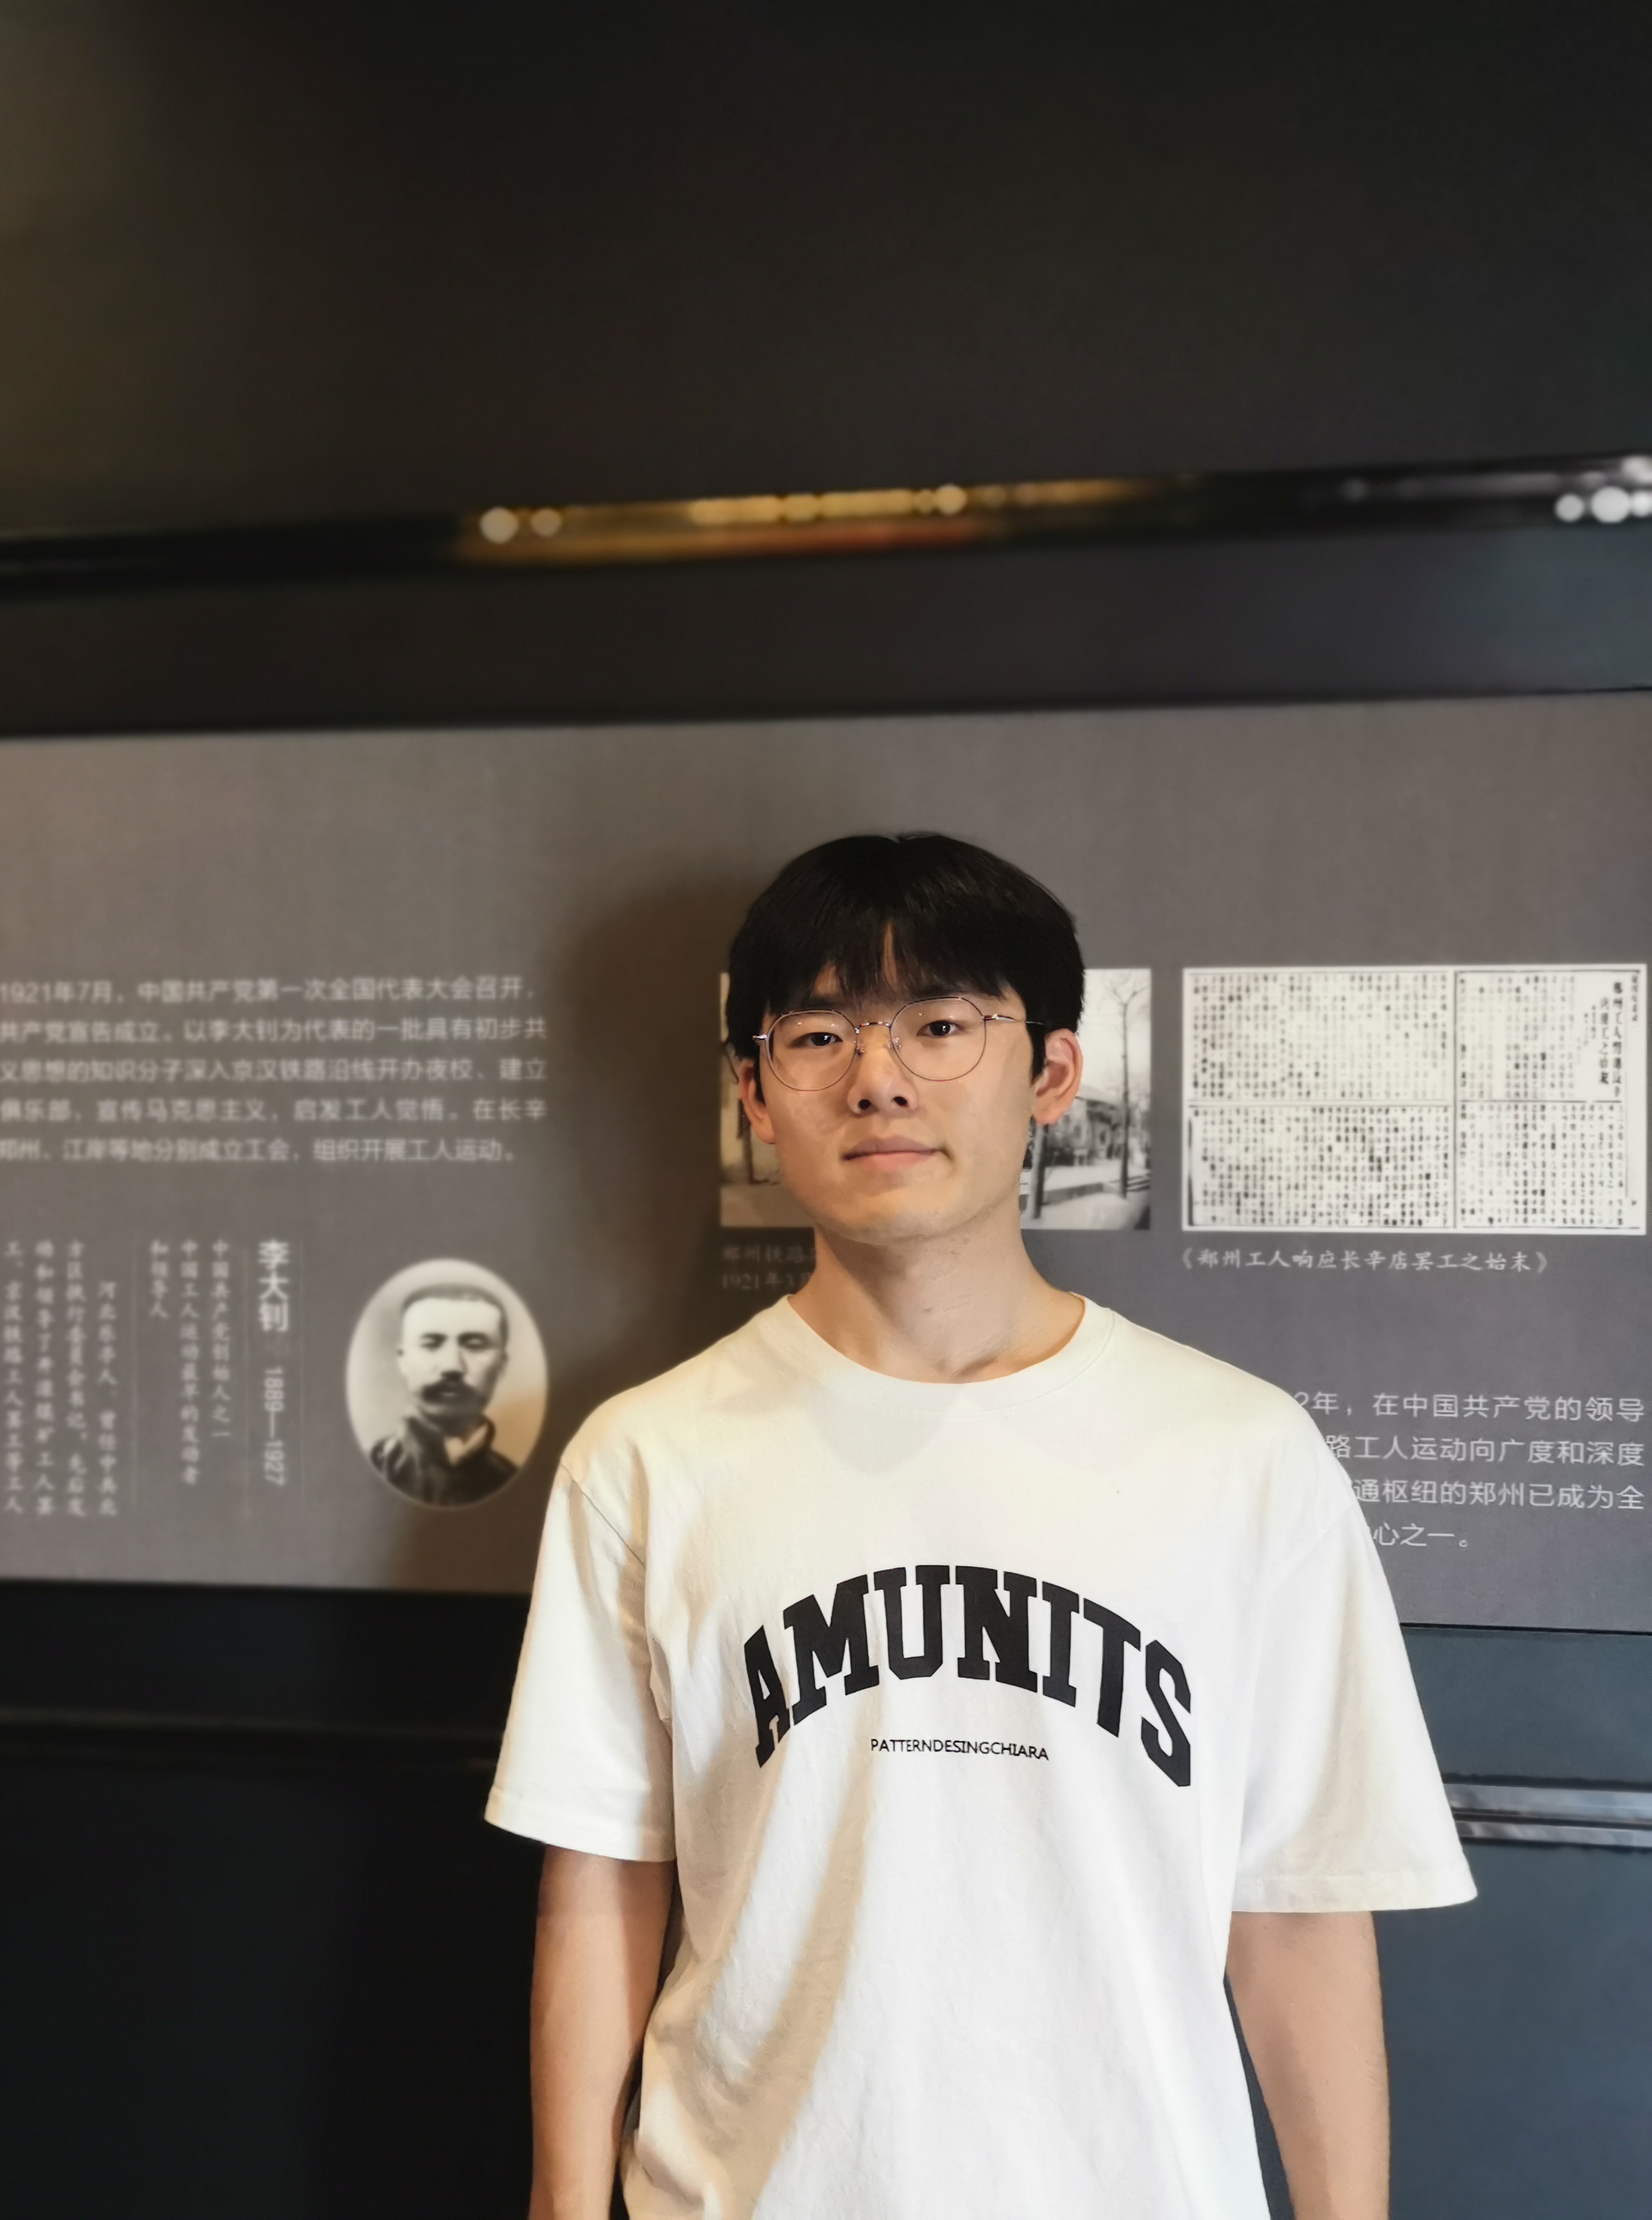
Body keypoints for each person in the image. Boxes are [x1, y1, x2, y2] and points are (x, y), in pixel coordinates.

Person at [491, 833, 1470, 2220]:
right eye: (817, 1034)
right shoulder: (649, 1457)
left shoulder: (1242, 1456)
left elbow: (1298, 1904)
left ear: (1052, 1073)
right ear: (754, 1092)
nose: (877, 1077)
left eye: (940, 1025)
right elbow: (600, 1882)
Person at [367, 1283, 522, 1508]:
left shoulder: (517, 1484)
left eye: (475, 1346)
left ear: (502, 1364)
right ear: (403, 1359)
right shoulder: (367, 1470)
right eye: (431, 1345)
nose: (452, 1366)